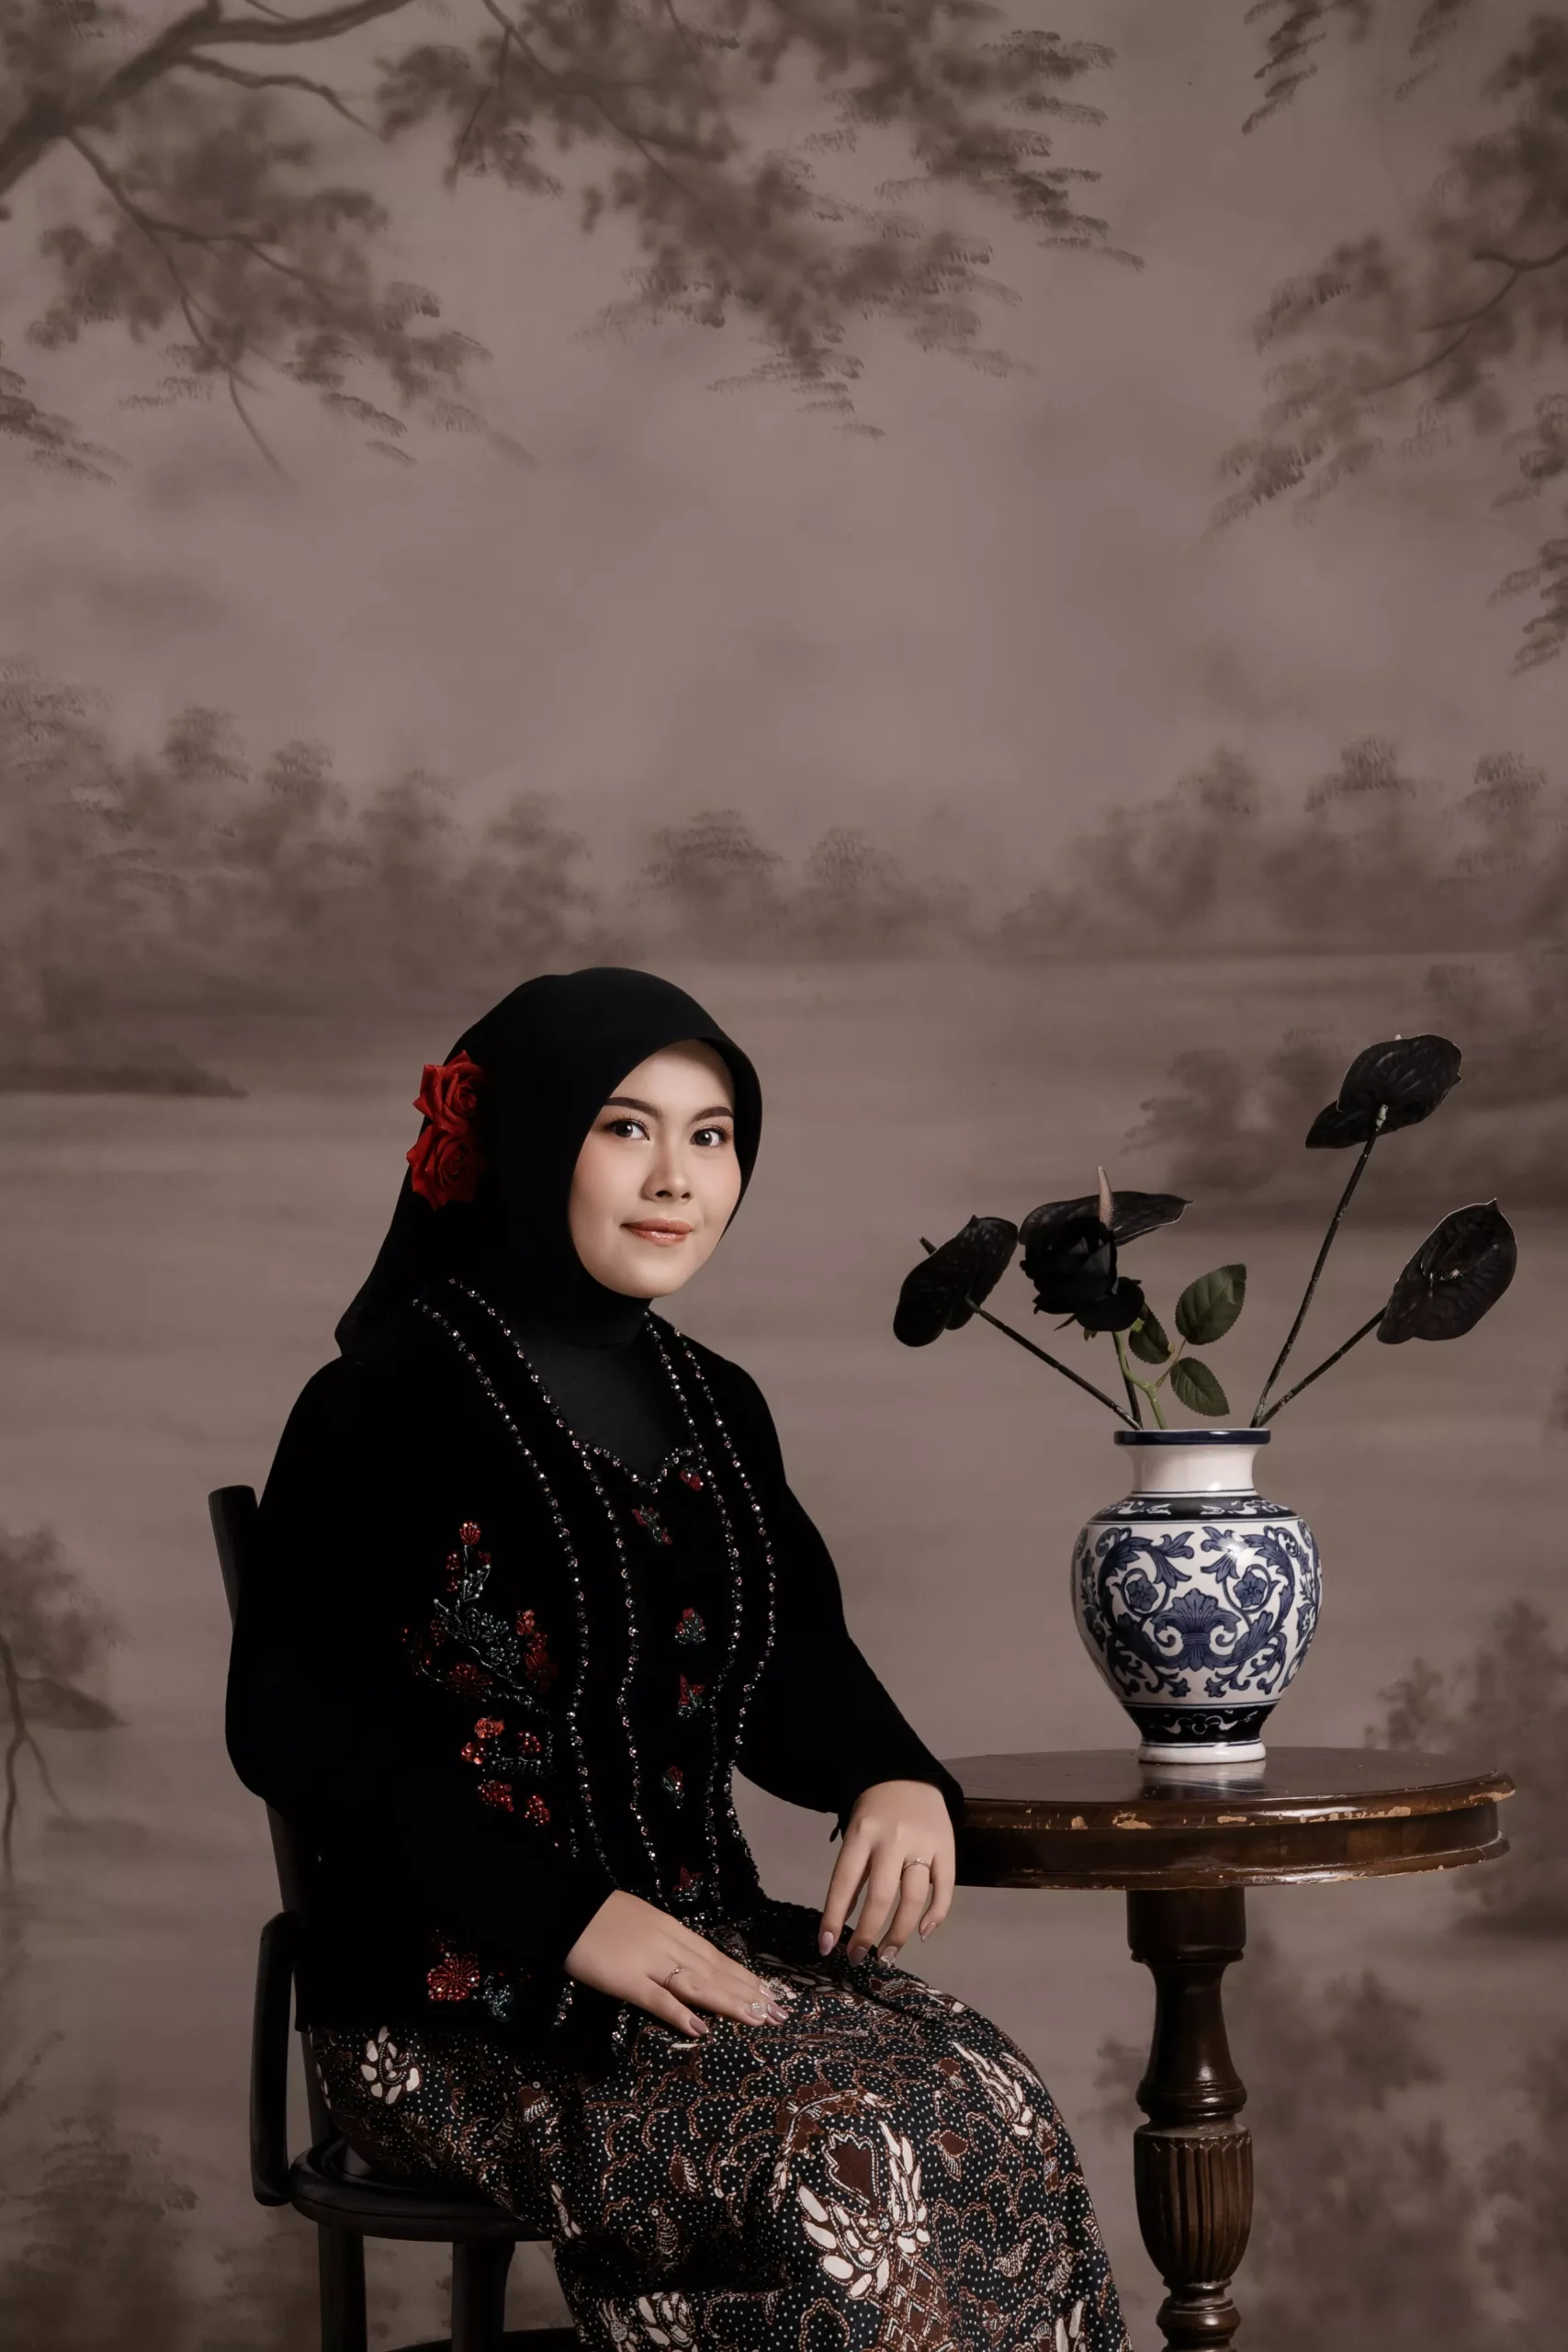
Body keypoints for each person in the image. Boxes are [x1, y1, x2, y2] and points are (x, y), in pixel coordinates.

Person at [226, 967, 1130, 2352]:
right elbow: (297, 1734)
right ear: (530, 1139)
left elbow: (790, 1660)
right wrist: (566, 1916)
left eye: (710, 1136)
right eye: (623, 1129)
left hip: (700, 1954)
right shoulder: (381, 1404)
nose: (676, 1178)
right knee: (846, 2151)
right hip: (446, 2003)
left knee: (990, 2108)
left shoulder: (717, 1402)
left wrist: (891, 1777)